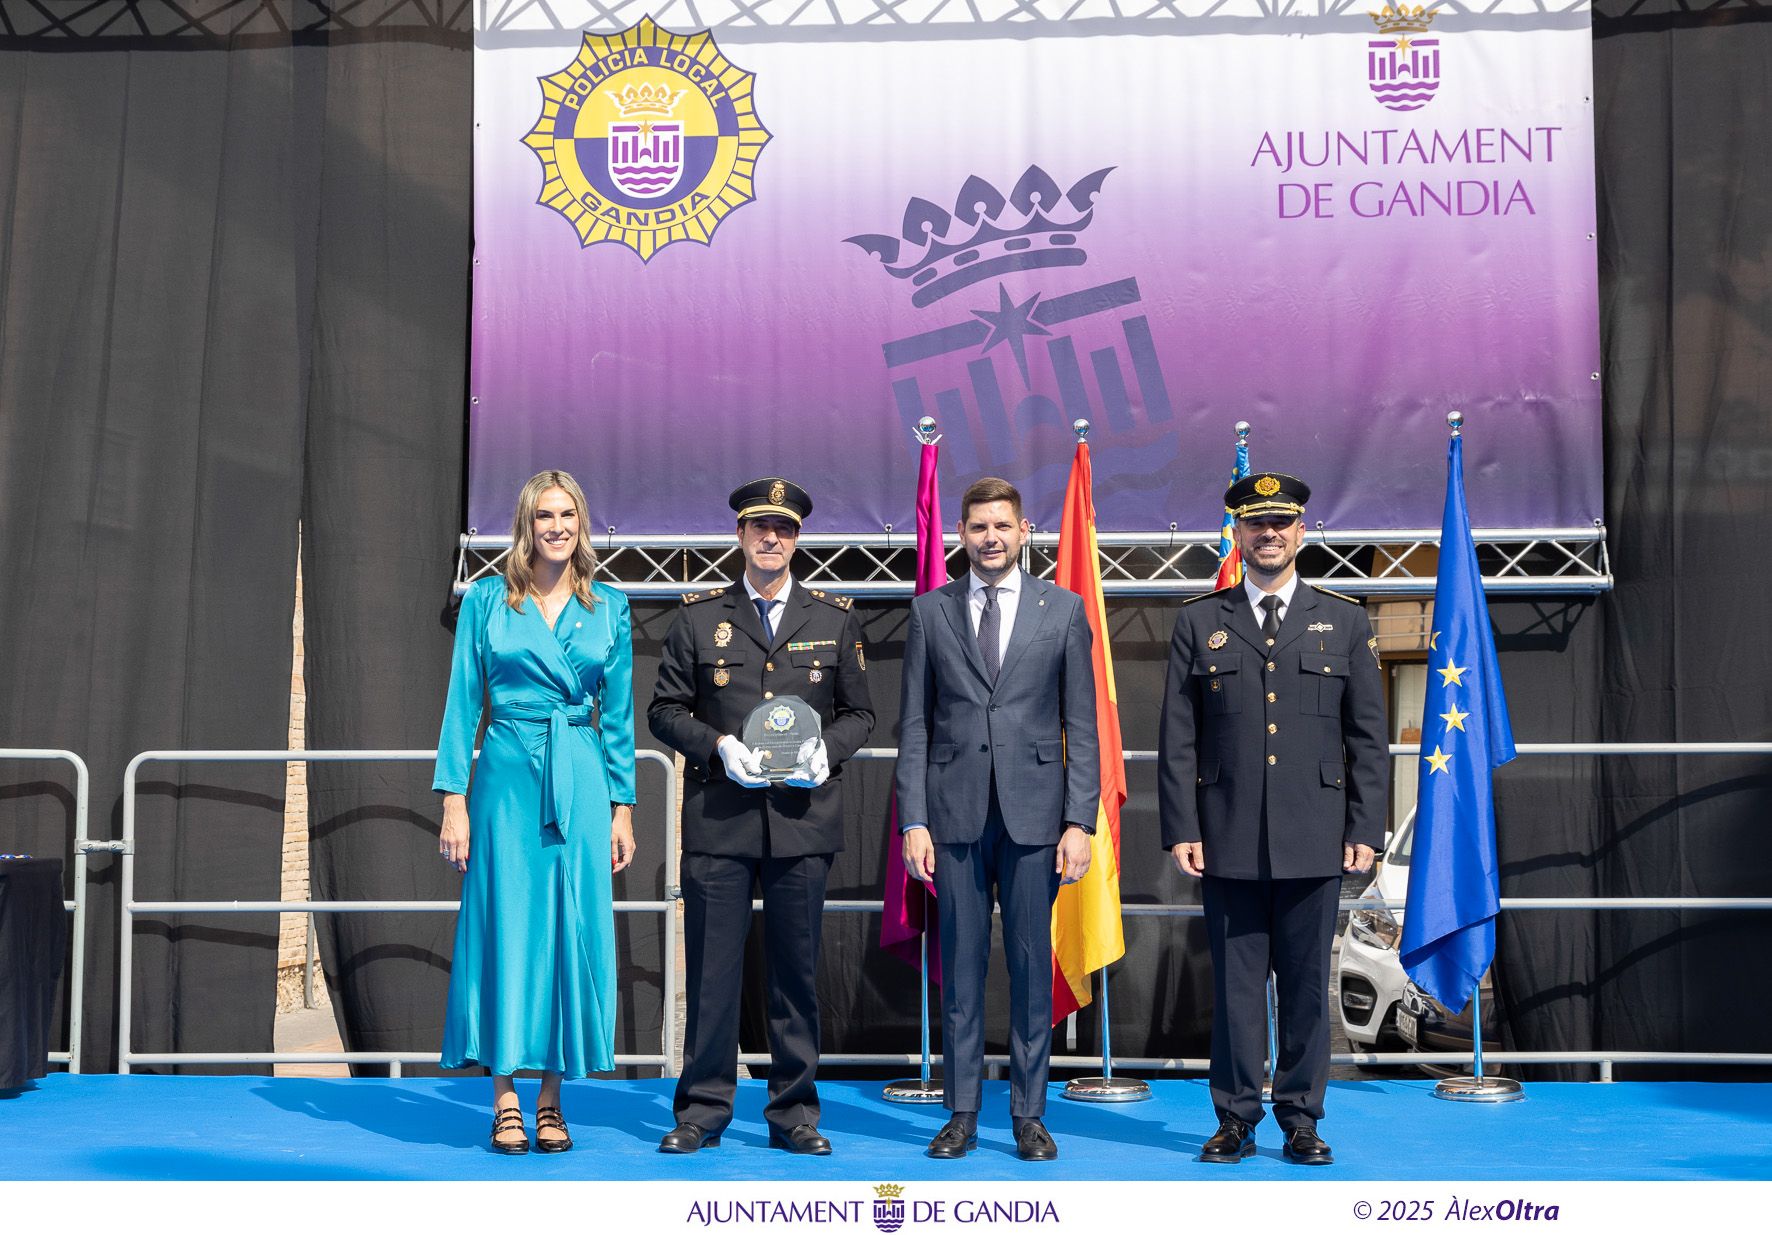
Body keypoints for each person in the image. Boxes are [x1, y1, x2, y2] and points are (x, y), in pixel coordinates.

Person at [1157, 471, 1387, 1166]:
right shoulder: (1200, 619)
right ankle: (1234, 1118)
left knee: (1307, 991)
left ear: (1301, 532)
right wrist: (1181, 825)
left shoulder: (1344, 619)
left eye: (1280, 523)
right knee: (1234, 992)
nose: (1268, 534)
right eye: (1255, 524)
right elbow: (1178, 735)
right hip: (1226, 837)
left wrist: (1365, 829)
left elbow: (1367, 738)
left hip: (1317, 837)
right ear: (1237, 533)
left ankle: (1302, 1118)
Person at [648, 477, 875, 1155]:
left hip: (802, 820)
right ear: (740, 536)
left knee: (796, 974)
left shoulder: (835, 618)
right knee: (713, 972)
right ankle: (703, 1109)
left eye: (782, 528)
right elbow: (664, 709)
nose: (770, 538)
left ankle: (795, 1112)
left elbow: (860, 712)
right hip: (720, 815)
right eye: (758, 527)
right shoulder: (697, 617)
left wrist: (824, 750)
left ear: (798, 537)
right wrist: (717, 746)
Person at [434, 470, 638, 1154]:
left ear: (582, 523)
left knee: (568, 928)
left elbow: (619, 720)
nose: (557, 525)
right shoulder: (488, 600)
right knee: (505, 924)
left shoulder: (610, 605)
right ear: (527, 523)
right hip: (506, 777)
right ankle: (505, 1097)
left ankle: (552, 1097)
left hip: (579, 775)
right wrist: (453, 801)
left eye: (568, 514)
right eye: (545, 514)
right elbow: (463, 703)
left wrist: (622, 807)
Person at [896, 476, 1099, 1162]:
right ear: (961, 535)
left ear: (1023, 531)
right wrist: (912, 820)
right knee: (961, 968)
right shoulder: (930, 612)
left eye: (1001, 526)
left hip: (1036, 818)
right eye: (978, 527)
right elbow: (915, 727)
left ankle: (1030, 1114)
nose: (990, 538)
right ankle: (960, 1112)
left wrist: (1081, 821)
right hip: (951, 817)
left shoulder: (1065, 610)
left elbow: (1083, 725)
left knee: (1029, 968)